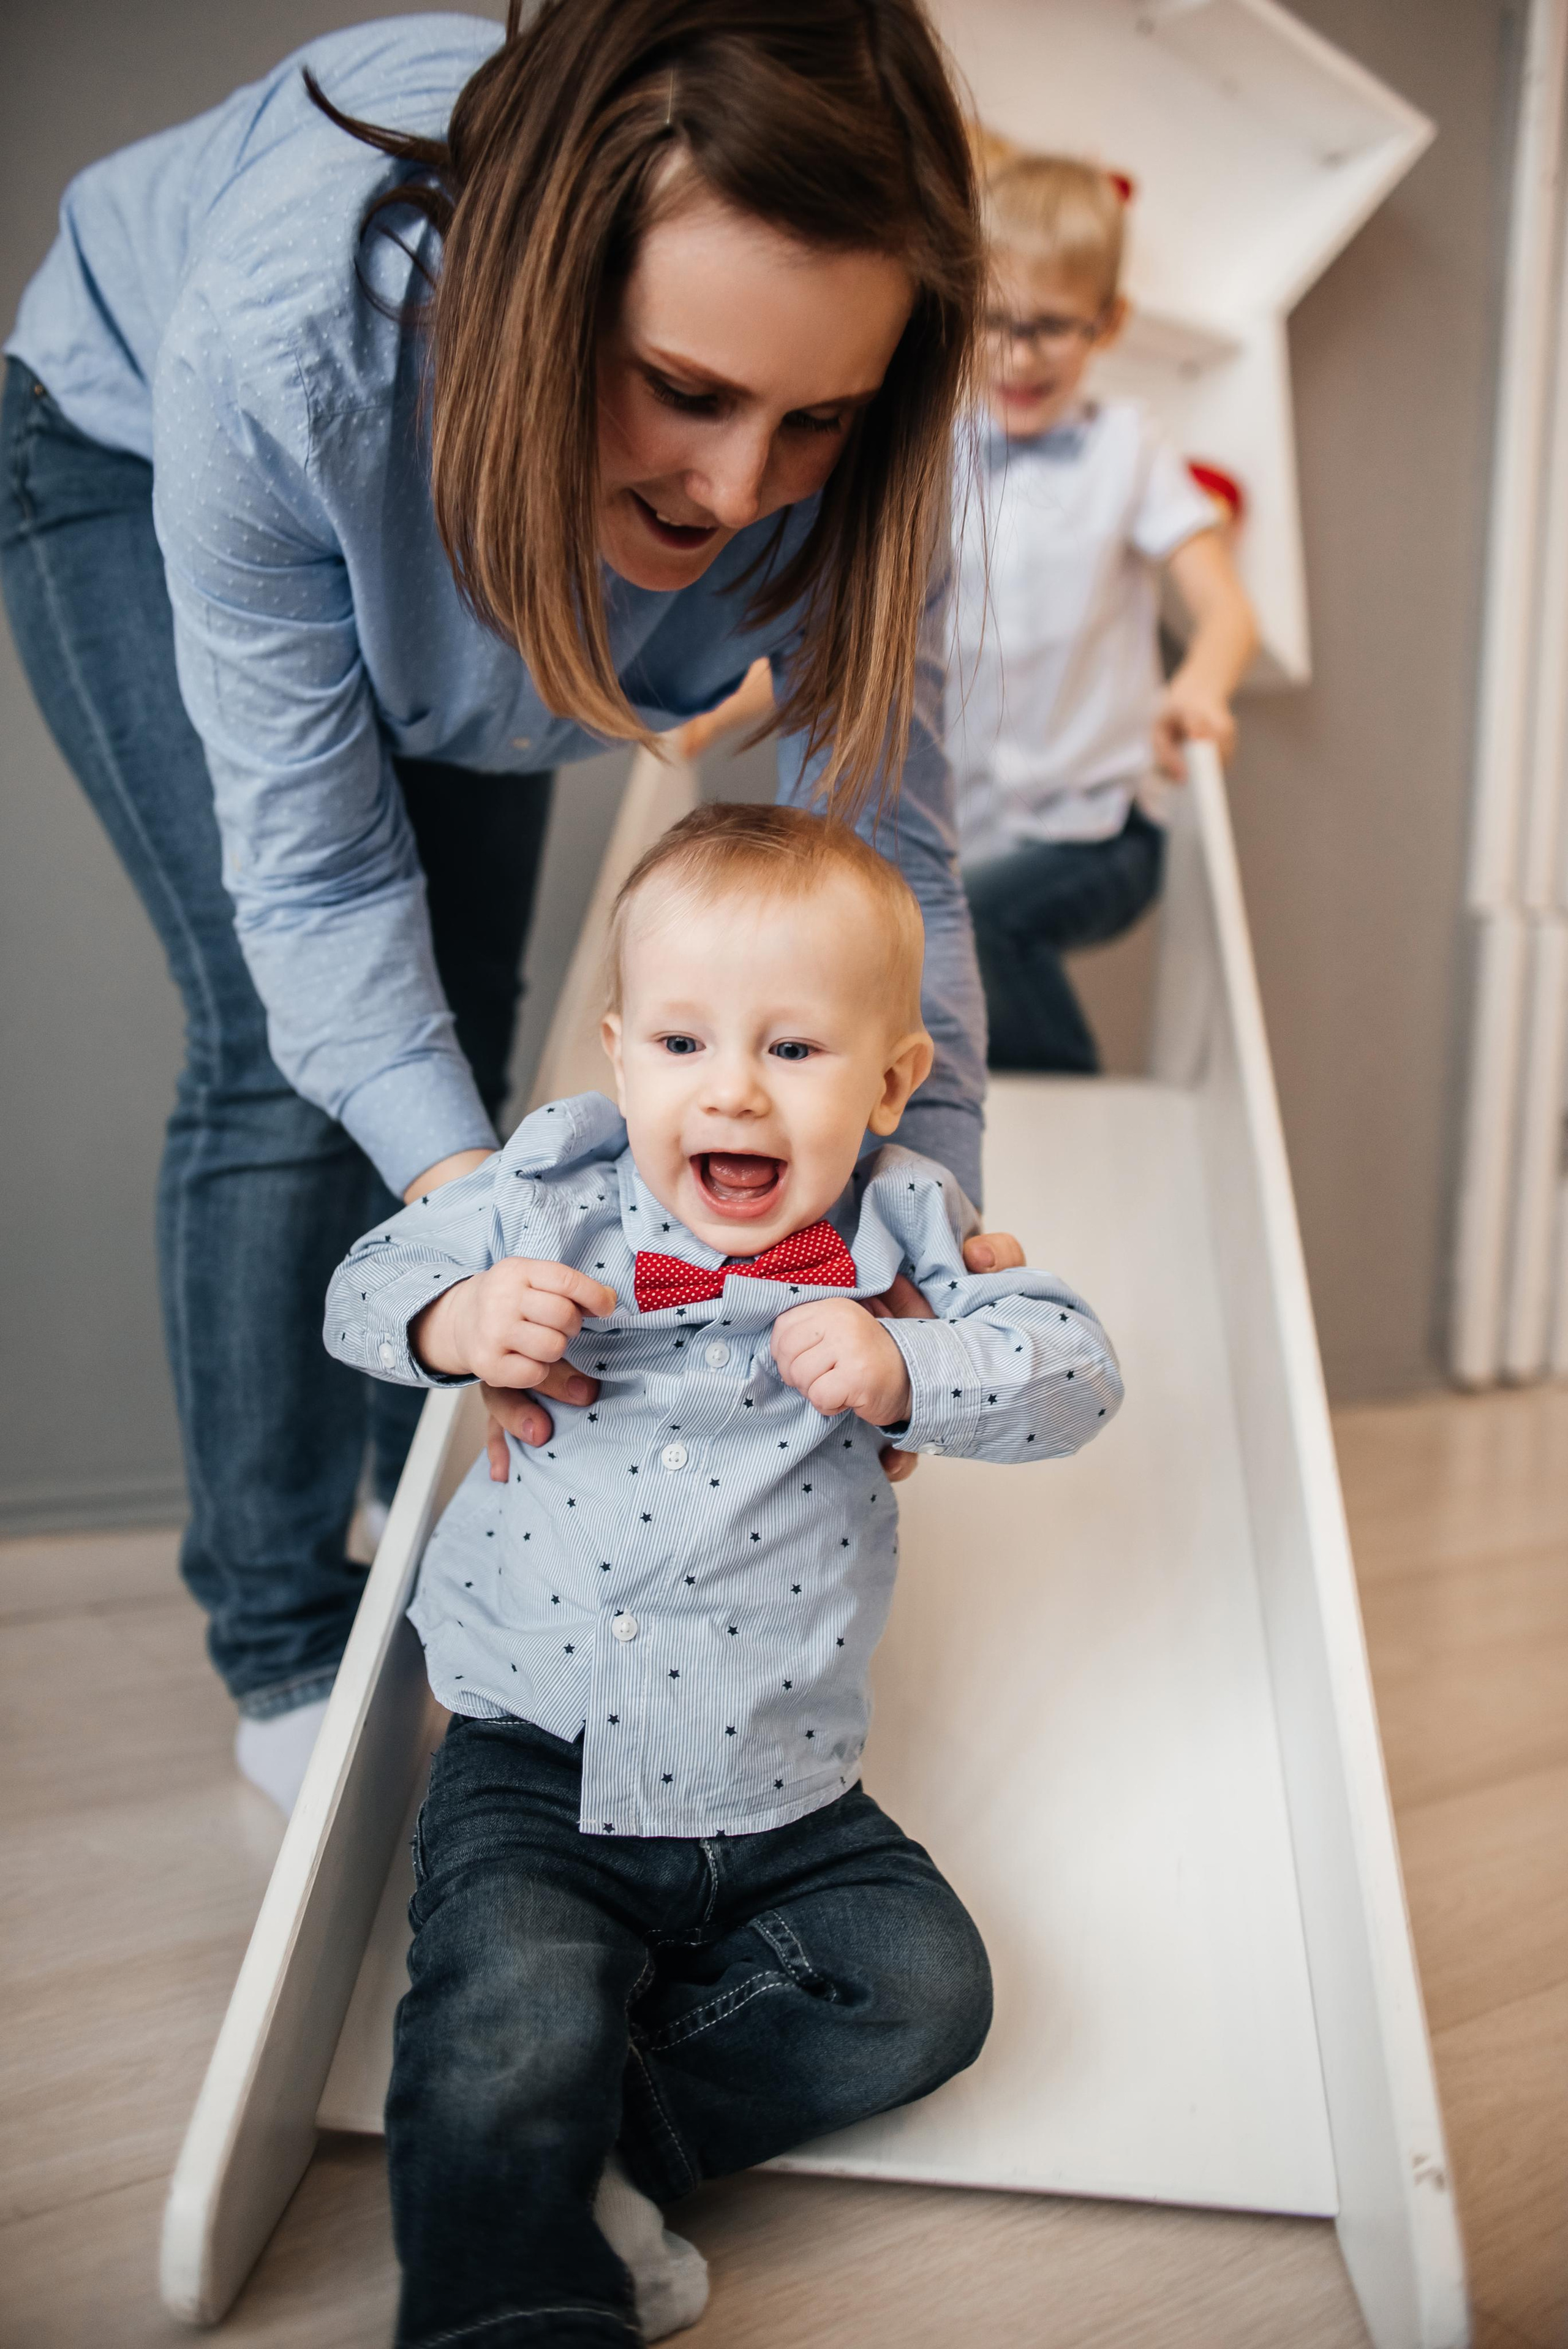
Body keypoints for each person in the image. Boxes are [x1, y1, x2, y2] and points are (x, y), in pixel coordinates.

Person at [0, 1, 1024, 1815]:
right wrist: (470, 1241)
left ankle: (444, 1471)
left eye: (818, 421)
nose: (730, 492)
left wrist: (921, 1218)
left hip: (456, 505)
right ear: (547, 296)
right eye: (689, 390)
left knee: (468, 1009)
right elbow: (317, 885)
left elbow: (895, 871)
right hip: (131, 444)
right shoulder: (287, 335)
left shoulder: (854, 472)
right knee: (280, 1047)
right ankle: (282, 1624)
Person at [326, 803, 1123, 2348]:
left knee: (923, 1989)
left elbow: (1077, 1373)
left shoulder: (905, 1231)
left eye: (795, 1051)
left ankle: (605, 2151)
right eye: (683, 1045)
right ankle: (519, 2306)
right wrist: (457, 1321)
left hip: (785, 1795)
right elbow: (365, 1284)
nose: (733, 1089)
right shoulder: (548, 1190)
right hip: (536, 1763)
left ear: (893, 1082)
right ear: (619, 1055)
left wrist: (912, 1365)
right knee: (507, 2009)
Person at [950, 150, 1259, 1073]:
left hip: (1105, 824)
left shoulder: (1129, 450)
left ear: (1109, 323)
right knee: (923, 956)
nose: (1016, 353)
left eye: (1049, 327)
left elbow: (1226, 612)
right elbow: (837, 620)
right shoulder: (933, 454)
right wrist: (725, 702)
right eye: (993, 321)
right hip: (970, 820)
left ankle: (1081, 1105)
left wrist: (1199, 691)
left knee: (970, 928)